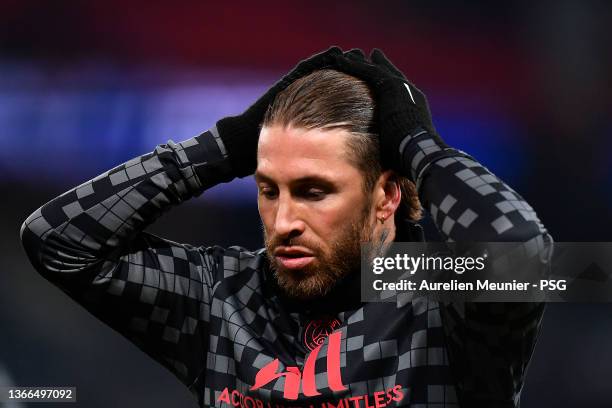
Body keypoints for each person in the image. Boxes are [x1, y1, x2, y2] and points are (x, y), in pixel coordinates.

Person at [20, 47, 553, 407]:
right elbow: (57, 239)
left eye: (314, 191)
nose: (284, 221)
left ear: (388, 194)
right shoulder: (221, 296)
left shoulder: (440, 290)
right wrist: (226, 147)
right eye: (269, 189)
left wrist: (421, 148)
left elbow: (524, 258)